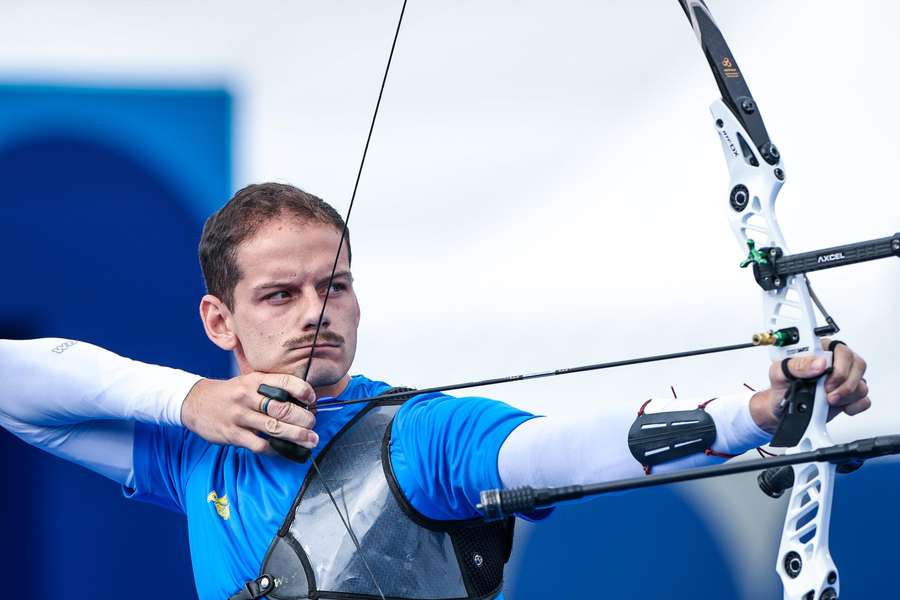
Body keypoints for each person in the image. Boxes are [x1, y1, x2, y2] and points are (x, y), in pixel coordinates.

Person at [0, 183, 871, 600]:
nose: (317, 313)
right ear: (219, 322)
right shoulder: (194, 451)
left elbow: (561, 452)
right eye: (279, 294)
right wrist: (190, 401)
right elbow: (17, 385)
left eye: (334, 286)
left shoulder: (420, 436)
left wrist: (755, 413)